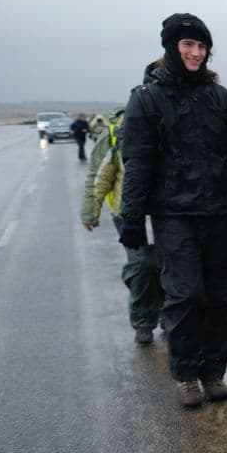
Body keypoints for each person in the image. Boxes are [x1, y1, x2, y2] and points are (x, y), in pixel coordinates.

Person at [120, 13, 227, 408]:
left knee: (220, 298)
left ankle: (214, 372)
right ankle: (187, 373)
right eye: (188, 44)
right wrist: (132, 219)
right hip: (173, 215)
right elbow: (137, 163)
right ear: (172, 47)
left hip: (221, 212)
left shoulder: (221, 98)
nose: (195, 52)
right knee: (185, 295)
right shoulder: (147, 99)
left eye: (201, 46)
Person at [81, 100, 163, 345]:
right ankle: (144, 321)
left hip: (169, 213)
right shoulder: (119, 133)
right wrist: (90, 212)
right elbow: (99, 175)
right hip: (129, 213)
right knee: (143, 265)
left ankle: (171, 316)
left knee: (171, 265)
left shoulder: (175, 119)